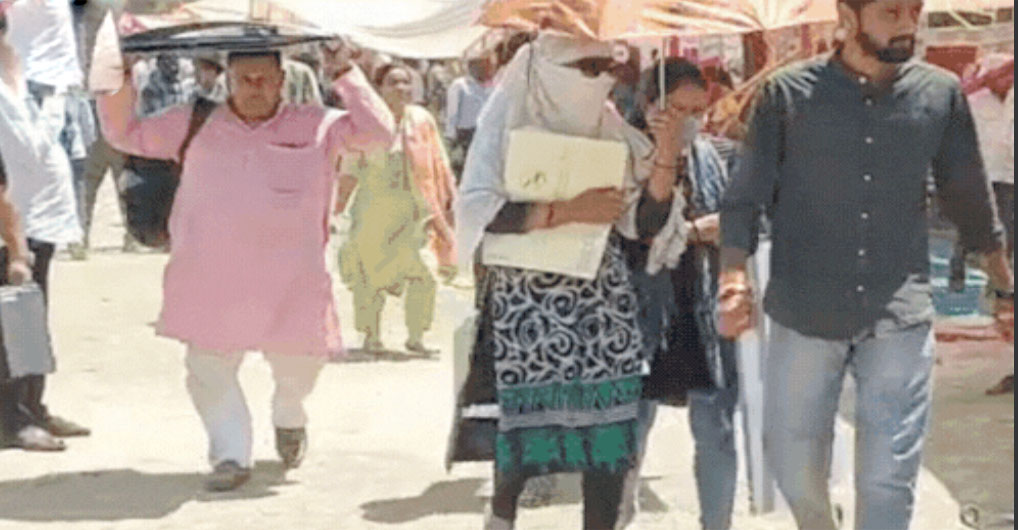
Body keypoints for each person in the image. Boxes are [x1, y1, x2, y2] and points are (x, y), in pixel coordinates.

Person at [718, 1, 1015, 528]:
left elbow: (969, 198)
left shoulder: (939, 94)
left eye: (914, 11)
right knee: (793, 465)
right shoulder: (787, 95)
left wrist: (1005, 289)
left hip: (897, 312)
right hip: (805, 309)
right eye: (891, 12)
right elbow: (745, 197)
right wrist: (733, 278)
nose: (907, 24)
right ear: (848, 16)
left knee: (887, 479)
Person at [96, 44, 394, 491]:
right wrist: (115, 74)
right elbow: (124, 133)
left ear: (282, 80)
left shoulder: (316, 124)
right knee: (208, 369)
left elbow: (380, 134)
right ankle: (231, 455)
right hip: (211, 278)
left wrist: (345, 72)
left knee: (300, 369)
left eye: (264, 79)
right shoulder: (193, 122)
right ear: (227, 81)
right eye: (244, 80)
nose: (255, 88)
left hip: (294, 282)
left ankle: (289, 416)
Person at [455, 34, 689, 529]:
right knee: (526, 429)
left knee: (609, 429)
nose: (601, 78)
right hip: (528, 303)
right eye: (588, 67)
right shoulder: (505, 123)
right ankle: (501, 515)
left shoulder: (613, 131)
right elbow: (477, 209)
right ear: (548, 68)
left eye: (608, 67)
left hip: (602, 300)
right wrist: (564, 211)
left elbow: (643, 224)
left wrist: (666, 153)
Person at [619, 58, 740, 530]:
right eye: (678, 110)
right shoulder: (627, 155)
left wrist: (724, 228)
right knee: (629, 433)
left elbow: (747, 218)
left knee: (716, 432)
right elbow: (639, 229)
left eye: (698, 111)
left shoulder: (714, 157)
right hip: (640, 313)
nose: (691, 121)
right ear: (650, 105)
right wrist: (689, 231)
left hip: (702, 309)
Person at [1, 8, 90, 451]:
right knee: (10, 321)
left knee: (31, 315)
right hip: (8, 222)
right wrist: (14, 242)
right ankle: (11, 418)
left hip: (39, 215)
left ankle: (33, 406)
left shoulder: (33, 75)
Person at [336, 63, 457, 355]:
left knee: (425, 273)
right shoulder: (364, 122)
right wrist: (334, 210)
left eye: (406, 82)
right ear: (378, 89)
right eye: (393, 82)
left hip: (414, 214)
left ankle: (417, 337)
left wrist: (448, 201)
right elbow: (349, 171)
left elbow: (438, 162)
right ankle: (371, 337)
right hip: (373, 214)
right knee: (369, 278)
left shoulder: (422, 119)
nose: (402, 88)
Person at [444, 54, 493, 178]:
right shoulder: (460, 85)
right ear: (471, 66)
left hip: (486, 132)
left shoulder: (491, 85)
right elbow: (452, 111)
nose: (485, 68)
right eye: (481, 64)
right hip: (466, 134)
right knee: (466, 168)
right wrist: (451, 134)